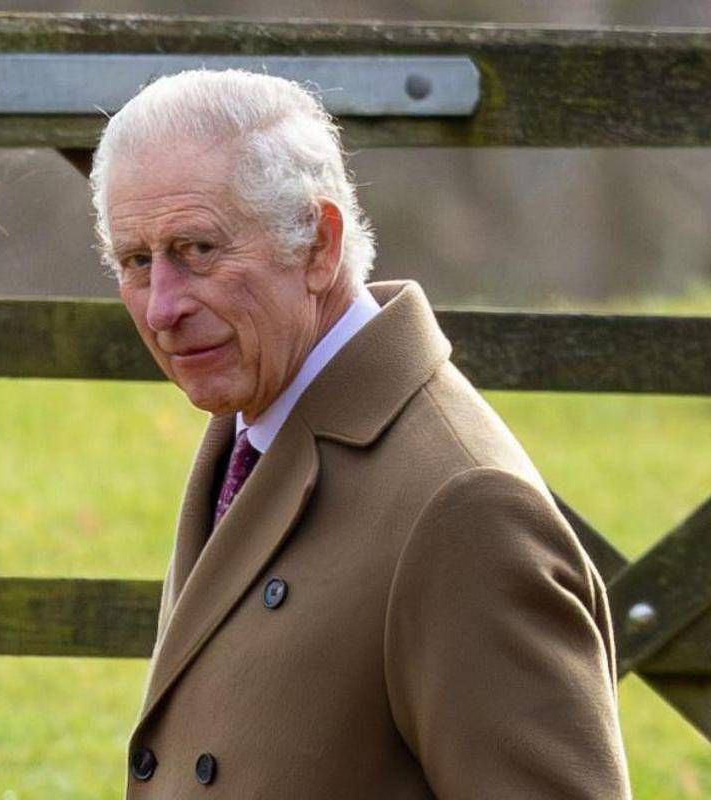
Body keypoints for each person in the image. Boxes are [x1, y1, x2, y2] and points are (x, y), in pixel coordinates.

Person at [89, 68, 631, 798]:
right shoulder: (254, 422)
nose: (161, 308)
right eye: (136, 261)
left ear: (318, 245)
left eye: (198, 250)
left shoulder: (466, 508)